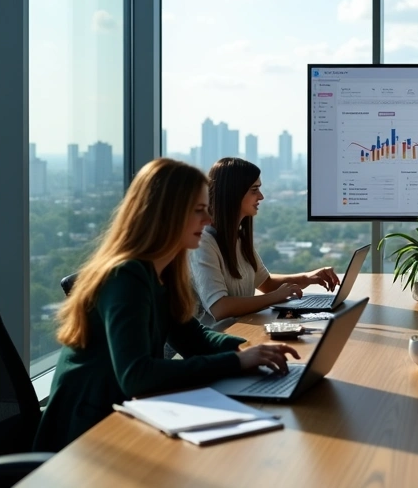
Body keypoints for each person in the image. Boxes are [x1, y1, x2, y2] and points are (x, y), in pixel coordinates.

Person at [35, 158, 299, 452]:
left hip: (122, 416)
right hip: (84, 435)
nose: (209, 220)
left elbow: (193, 338)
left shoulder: (162, 272)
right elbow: (137, 377)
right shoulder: (126, 276)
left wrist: (245, 350)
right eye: (199, 211)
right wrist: (237, 361)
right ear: (167, 215)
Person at [189, 157, 340, 328]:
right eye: (254, 190)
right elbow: (219, 308)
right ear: (233, 193)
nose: (261, 196)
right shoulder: (203, 243)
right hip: (215, 342)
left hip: (242, 330)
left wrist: (309, 277)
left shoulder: (238, 238)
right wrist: (277, 297)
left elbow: (266, 284)